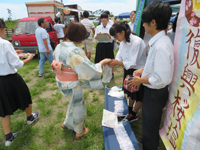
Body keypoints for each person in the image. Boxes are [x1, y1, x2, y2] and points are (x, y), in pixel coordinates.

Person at [52, 21, 111, 139]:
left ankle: (66, 123)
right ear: (78, 36)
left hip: (61, 80)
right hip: (72, 83)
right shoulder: (74, 51)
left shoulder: (59, 45)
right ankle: (79, 131)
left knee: (72, 102)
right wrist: (101, 63)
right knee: (78, 106)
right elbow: (89, 69)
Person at [127, 2, 174, 149]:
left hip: (155, 91)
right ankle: (147, 140)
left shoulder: (160, 46)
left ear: (153, 22)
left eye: (144, 22)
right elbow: (155, 66)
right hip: (153, 90)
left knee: (151, 122)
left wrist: (140, 80)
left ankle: (150, 146)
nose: (142, 26)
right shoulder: (159, 41)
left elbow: (161, 79)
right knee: (148, 120)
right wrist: (143, 69)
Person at [0, 19, 39, 147]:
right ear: (2, 28)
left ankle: (8, 137)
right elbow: (18, 65)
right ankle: (30, 118)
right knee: (25, 96)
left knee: (3, 108)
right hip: (10, 78)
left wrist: (14, 53)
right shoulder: (5, 43)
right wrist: (29, 58)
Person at [108, 22, 146, 122]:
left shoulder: (136, 42)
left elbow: (133, 62)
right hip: (128, 69)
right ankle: (129, 111)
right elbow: (120, 55)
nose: (116, 39)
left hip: (138, 71)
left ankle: (134, 114)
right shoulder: (122, 42)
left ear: (123, 32)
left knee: (138, 94)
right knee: (130, 91)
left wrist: (117, 63)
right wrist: (115, 61)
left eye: (116, 36)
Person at [94, 13, 115, 78]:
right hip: (100, 45)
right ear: (100, 19)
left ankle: (111, 74)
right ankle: (100, 74)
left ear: (108, 19)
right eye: (102, 18)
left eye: (105, 18)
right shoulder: (98, 27)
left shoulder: (111, 27)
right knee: (100, 60)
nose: (103, 20)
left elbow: (113, 38)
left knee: (110, 60)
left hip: (108, 45)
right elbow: (95, 38)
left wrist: (108, 35)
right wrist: (98, 35)